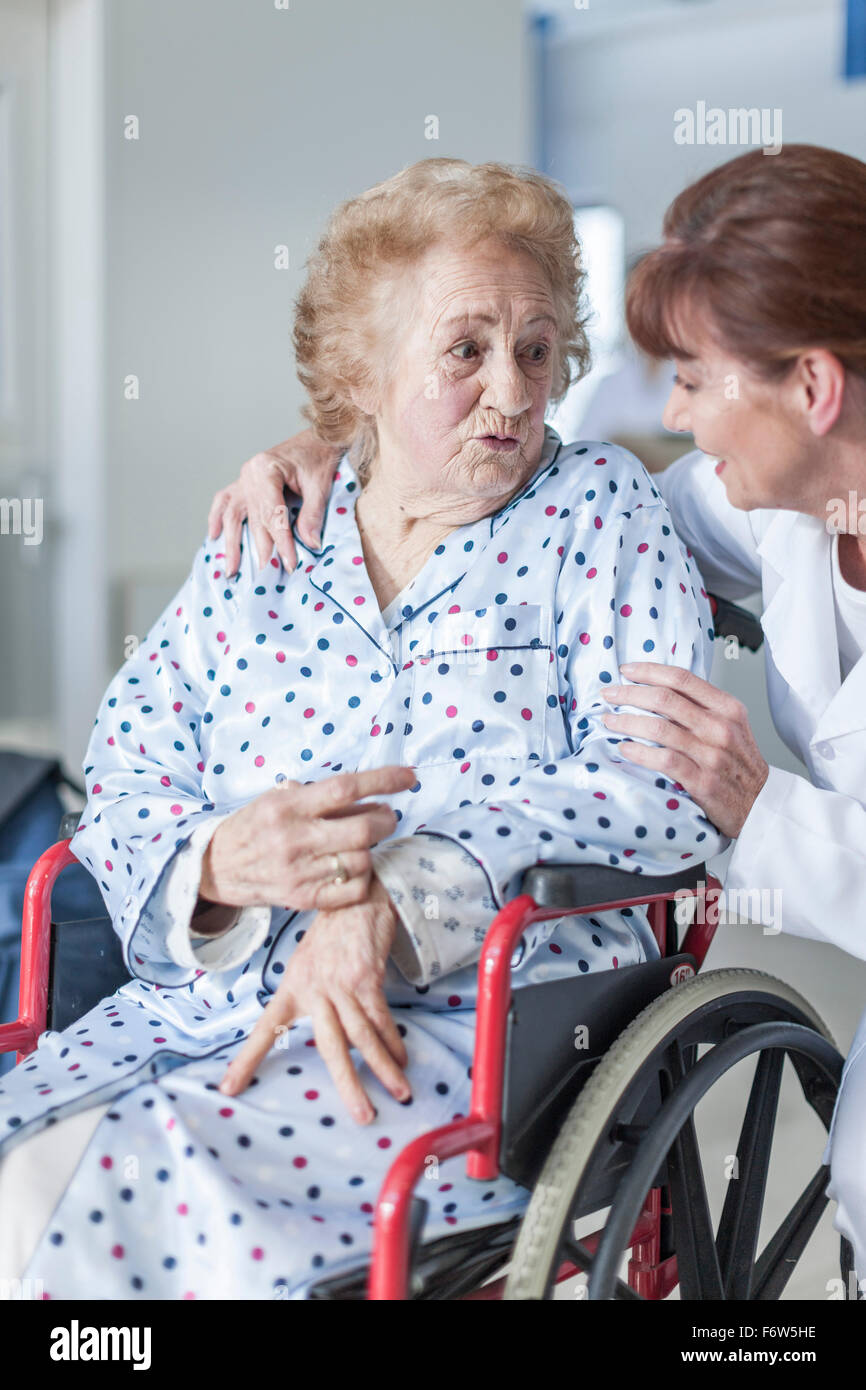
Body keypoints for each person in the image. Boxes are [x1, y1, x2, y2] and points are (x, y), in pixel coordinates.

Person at [0, 157, 723, 1300]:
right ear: (361, 375)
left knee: (131, 1190)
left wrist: (404, 896)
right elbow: (130, 765)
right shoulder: (265, 531)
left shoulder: (598, 510)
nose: (512, 392)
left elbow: (657, 780)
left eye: (536, 350)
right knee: (16, 1165)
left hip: (474, 1026)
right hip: (201, 1007)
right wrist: (213, 864)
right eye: (464, 349)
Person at [212, 143, 866, 1292]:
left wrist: (766, 813)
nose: (668, 411)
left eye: (696, 379)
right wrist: (351, 437)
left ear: (810, 389)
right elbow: (572, 513)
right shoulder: (783, 496)